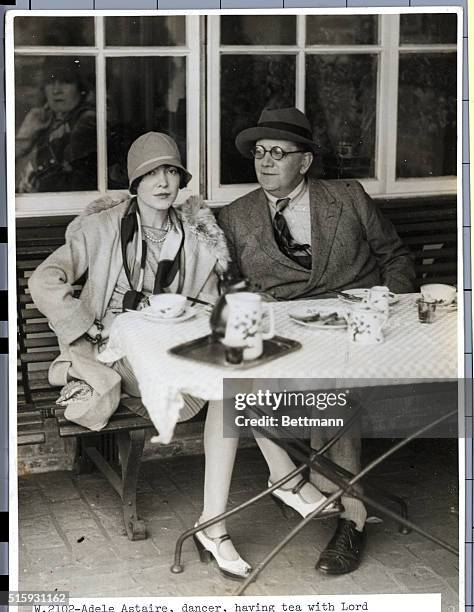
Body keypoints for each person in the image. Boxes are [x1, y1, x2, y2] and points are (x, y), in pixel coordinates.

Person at [28, 131, 252, 580]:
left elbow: (209, 300)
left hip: (169, 345)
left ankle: (219, 519)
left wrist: (197, 308)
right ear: (135, 182)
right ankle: (256, 502)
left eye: (171, 171)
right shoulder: (102, 227)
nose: (163, 182)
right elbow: (43, 280)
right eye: (152, 173)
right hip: (116, 351)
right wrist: (87, 324)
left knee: (237, 381)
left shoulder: (192, 234)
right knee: (230, 386)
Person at [218, 107, 416, 575]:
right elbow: (229, 289)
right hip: (286, 334)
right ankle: (336, 497)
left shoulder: (347, 198)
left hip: (359, 329)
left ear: (304, 162)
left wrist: (388, 303)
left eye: (278, 153)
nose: (265, 162)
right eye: (259, 153)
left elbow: (395, 256)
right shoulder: (235, 216)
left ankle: (349, 517)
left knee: (336, 389)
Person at [16, 56, 97, 193]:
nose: (56, 90)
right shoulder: (44, 119)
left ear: (81, 87)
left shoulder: (87, 121)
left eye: (66, 82)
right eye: (50, 82)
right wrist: (26, 134)